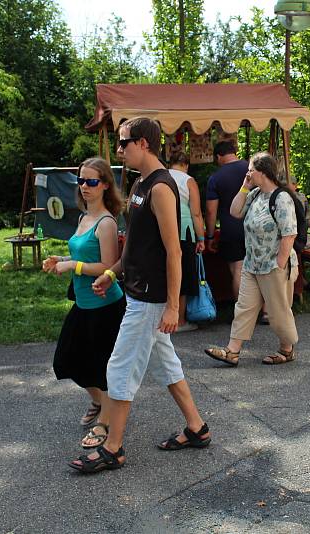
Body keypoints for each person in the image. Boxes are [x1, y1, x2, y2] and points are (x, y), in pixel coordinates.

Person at [70, 118, 210, 474]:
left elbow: (173, 251)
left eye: (124, 143)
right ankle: (196, 427)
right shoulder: (139, 184)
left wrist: (173, 306)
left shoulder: (162, 188)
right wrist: (110, 272)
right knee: (166, 364)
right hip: (136, 291)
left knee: (119, 367)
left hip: (151, 299)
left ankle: (113, 448)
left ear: (144, 143)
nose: (119, 150)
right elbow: (134, 244)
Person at [42, 157, 126, 449]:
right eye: (81, 181)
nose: (85, 186)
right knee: (66, 361)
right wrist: (61, 260)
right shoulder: (82, 218)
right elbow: (82, 256)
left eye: (91, 181)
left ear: (104, 185)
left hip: (104, 305)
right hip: (83, 303)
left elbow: (108, 265)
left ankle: (106, 419)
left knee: (99, 368)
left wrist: (73, 266)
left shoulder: (106, 223)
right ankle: (101, 403)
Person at [204, 152, 299, 366]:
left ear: (263, 172)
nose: (247, 173)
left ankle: (287, 349)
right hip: (252, 264)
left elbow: (289, 233)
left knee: (277, 312)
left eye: (251, 170)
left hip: (273, 265)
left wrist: (280, 263)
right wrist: (244, 187)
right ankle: (232, 351)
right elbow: (234, 211)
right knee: (244, 307)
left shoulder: (281, 198)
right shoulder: (255, 194)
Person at [205, 140, 249, 302]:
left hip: (231, 229)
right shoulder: (252, 169)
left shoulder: (216, 178)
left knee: (238, 270)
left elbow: (211, 211)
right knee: (260, 269)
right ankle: (265, 311)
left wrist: (210, 236)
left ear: (219, 156)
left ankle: (242, 313)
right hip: (255, 225)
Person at [168, 151, 206, 332]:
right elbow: (196, 213)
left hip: (163, 230)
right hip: (184, 232)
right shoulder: (188, 180)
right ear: (187, 165)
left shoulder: (161, 176)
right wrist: (201, 238)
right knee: (182, 276)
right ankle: (180, 320)